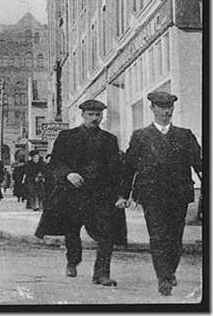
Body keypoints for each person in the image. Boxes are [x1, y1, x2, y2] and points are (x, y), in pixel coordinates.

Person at [116, 91, 202, 296]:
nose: (166, 111)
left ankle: (170, 270)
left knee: (175, 237)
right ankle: (163, 278)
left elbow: (199, 163)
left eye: (169, 108)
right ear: (152, 109)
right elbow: (129, 168)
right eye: (161, 107)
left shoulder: (185, 135)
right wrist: (123, 195)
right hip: (151, 195)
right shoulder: (141, 136)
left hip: (179, 195)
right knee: (157, 236)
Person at [35, 99, 126, 286]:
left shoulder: (109, 140)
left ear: (102, 116)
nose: (94, 118)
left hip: (100, 195)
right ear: (82, 116)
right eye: (90, 114)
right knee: (72, 231)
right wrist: (68, 174)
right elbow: (55, 164)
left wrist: (119, 195)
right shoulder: (67, 137)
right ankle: (72, 261)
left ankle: (101, 274)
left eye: (97, 115)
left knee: (106, 234)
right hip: (73, 194)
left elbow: (116, 170)